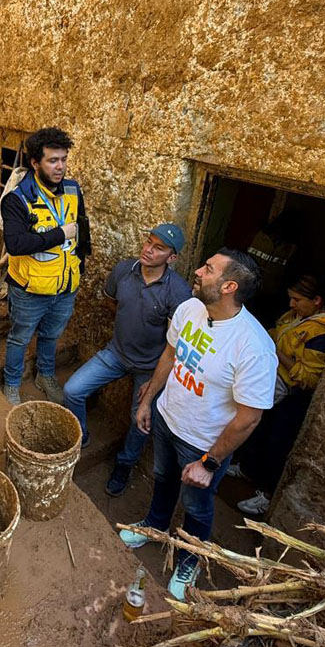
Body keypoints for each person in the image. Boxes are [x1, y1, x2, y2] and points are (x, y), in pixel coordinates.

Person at [118, 249, 277, 600]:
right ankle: (155, 527)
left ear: (228, 286)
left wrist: (209, 463)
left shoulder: (253, 347)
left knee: (197, 506)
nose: (198, 271)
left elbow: (249, 417)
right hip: (167, 420)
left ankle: (190, 556)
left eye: (208, 269)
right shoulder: (190, 308)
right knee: (162, 480)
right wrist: (148, 401)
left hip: (204, 445)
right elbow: (171, 355)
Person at [61, 224, 192, 492]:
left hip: (151, 367)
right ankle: (81, 436)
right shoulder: (124, 270)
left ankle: (125, 464)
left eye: (159, 248)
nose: (148, 250)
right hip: (116, 353)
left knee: (141, 419)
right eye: (148, 242)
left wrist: (155, 382)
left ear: (172, 258)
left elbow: (176, 343)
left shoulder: (178, 291)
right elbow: (111, 301)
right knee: (72, 390)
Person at [230, 274, 325, 515]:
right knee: (259, 429)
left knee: (277, 443)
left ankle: (266, 495)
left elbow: (310, 378)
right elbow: (276, 333)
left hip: (292, 395)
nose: (291, 304)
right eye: (291, 299)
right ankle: (247, 468)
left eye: (298, 299)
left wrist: (275, 351)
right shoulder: (295, 317)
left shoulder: (323, 333)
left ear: (318, 300)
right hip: (271, 381)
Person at [1, 127, 90, 405]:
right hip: (30, 289)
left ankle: (45, 374)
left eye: (63, 159)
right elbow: (16, 245)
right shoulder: (17, 199)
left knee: (52, 335)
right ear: (35, 163)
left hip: (65, 286)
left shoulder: (73, 190)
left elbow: (82, 228)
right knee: (20, 337)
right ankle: (12, 383)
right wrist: (60, 234)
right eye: (53, 160)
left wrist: (80, 268)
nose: (60, 166)